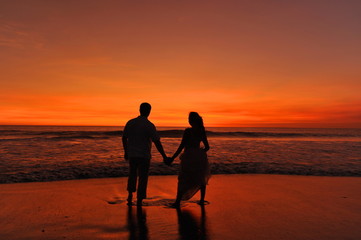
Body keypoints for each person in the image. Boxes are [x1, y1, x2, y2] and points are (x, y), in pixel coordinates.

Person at [122, 102, 168, 206]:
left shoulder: (131, 122)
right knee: (143, 178)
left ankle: (130, 195)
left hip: (132, 154)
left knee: (132, 175)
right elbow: (157, 142)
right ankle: (139, 199)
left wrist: (126, 151)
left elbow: (124, 137)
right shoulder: (149, 125)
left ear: (140, 110)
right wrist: (164, 156)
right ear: (149, 111)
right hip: (144, 155)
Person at [169, 112, 211, 207]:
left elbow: (181, 146)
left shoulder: (188, 131)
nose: (188, 120)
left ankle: (177, 202)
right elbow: (207, 147)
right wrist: (200, 153)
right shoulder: (202, 131)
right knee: (201, 178)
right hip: (199, 156)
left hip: (188, 156)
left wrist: (172, 158)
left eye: (189, 118)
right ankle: (201, 200)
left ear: (192, 120)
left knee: (184, 178)